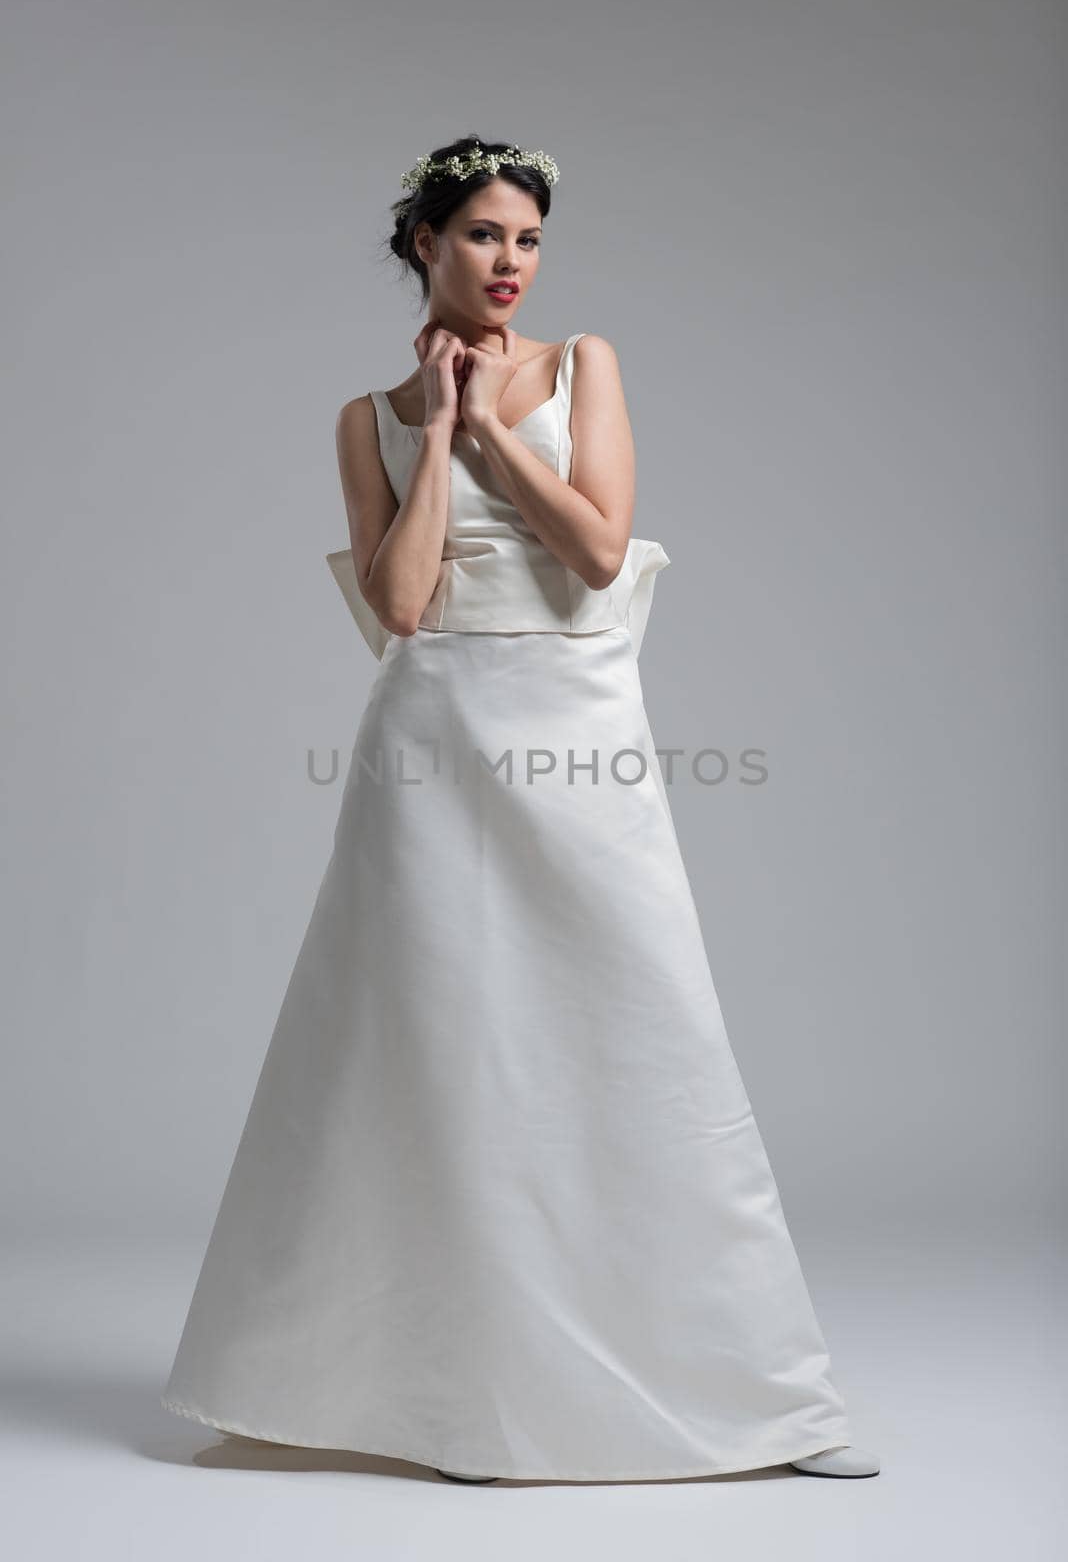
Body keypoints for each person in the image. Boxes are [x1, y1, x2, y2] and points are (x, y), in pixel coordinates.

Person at [160, 134, 880, 1484]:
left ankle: (764, 1401)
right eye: (484, 235)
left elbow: (601, 550)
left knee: (640, 1031)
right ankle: (438, 1398)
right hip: (431, 742)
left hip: (578, 726)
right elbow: (403, 607)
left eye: (529, 239)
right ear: (423, 243)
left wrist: (493, 422)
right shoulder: (364, 415)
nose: (510, 263)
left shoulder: (583, 365)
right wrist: (436, 432)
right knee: (429, 1050)